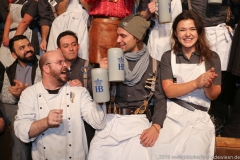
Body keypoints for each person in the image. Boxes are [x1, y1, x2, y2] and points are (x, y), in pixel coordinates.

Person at [88, 14, 167, 160]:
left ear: (137, 37)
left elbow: (161, 101)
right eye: (118, 35)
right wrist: (102, 73)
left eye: (123, 36)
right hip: (109, 124)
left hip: (138, 126)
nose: (118, 40)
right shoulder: (109, 60)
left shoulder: (155, 65)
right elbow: (95, 95)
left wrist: (155, 127)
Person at [151, 10, 221, 159]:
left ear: (199, 31)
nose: (187, 34)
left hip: (199, 117)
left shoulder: (212, 57)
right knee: (160, 153)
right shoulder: (168, 57)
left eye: (192, 29)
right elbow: (169, 91)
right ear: (176, 33)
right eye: (182, 30)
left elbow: (214, 95)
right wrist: (197, 83)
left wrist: (208, 84)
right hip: (172, 116)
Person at [14, 50, 106, 160]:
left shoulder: (78, 91)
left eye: (65, 62)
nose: (65, 66)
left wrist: (102, 92)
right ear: (46, 68)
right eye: (59, 62)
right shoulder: (30, 94)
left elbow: (98, 123)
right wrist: (46, 122)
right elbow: (21, 131)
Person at [0, 35, 41, 160]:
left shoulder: (43, 63)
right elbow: (5, 97)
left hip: (36, 105)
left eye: (29, 45)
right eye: (22, 48)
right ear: (14, 54)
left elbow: (46, 90)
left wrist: (25, 92)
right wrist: (16, 94)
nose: (28, 49)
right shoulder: (10, 70)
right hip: (13, 105)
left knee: (19, 122)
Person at [56, 30, 95, 147]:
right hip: (60, 118)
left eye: (73, 45)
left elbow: (97, 94)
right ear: (59, 49)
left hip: (83, 119)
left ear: (78, 46)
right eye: (66, 46)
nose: (71, 49)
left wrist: (83, 88)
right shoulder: (54, 66)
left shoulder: (88, 66)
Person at [0, 0, 39, 67]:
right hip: (10, 35)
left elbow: (25, 22)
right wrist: (5, 36)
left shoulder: (33, 3)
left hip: (22, 34)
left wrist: (15, 40)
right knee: (4, 59)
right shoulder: (16, 1)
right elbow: (8, 20)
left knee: (22, 59)